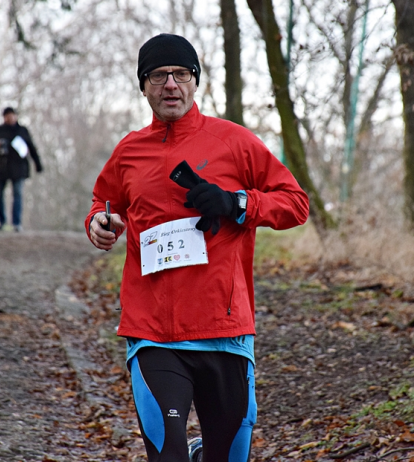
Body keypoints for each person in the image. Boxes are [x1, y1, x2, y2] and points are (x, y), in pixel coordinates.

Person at [85, 33, 309, 462]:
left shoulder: (235, 143)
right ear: (143, 85)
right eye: (158, 76)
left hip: (224, 332)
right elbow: (104, 202)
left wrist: (238, 203)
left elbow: (296, 204)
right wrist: (99, 222)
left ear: (195, 81)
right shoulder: (129, 151)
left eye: (181, 74)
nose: (170, 84)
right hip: (153, 333)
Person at [0, 107, 42, 232]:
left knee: (18, 195)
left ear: (16, 116)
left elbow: (32, 148)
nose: (10, 118)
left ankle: (16, 223)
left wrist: (38, 164)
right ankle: (1, 221)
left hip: (19, 169)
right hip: (1, 168)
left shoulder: (22, 131)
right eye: (7, 116)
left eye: (12, 115)